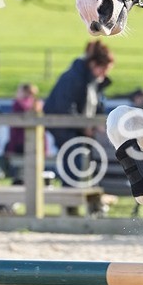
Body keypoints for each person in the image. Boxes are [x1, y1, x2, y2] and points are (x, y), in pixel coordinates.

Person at [44, 41, 115, 184]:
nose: (105, 73)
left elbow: (96, 106)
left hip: (77, 130)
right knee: (73, 161)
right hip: (65, 128)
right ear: (94, 64)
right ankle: (70, 199)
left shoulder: (90, 80)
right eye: (104, 68)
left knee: (78, 162)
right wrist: (85, 127)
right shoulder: (74, 78)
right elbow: (65, 108)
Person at [4, 83, 44, 160]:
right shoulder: (37, 104)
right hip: (36, 145)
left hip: (20, 145)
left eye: (19, 91)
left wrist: (10, 150)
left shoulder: (18, 105)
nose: (16, 94)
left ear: (25, 92)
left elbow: (14, 130)